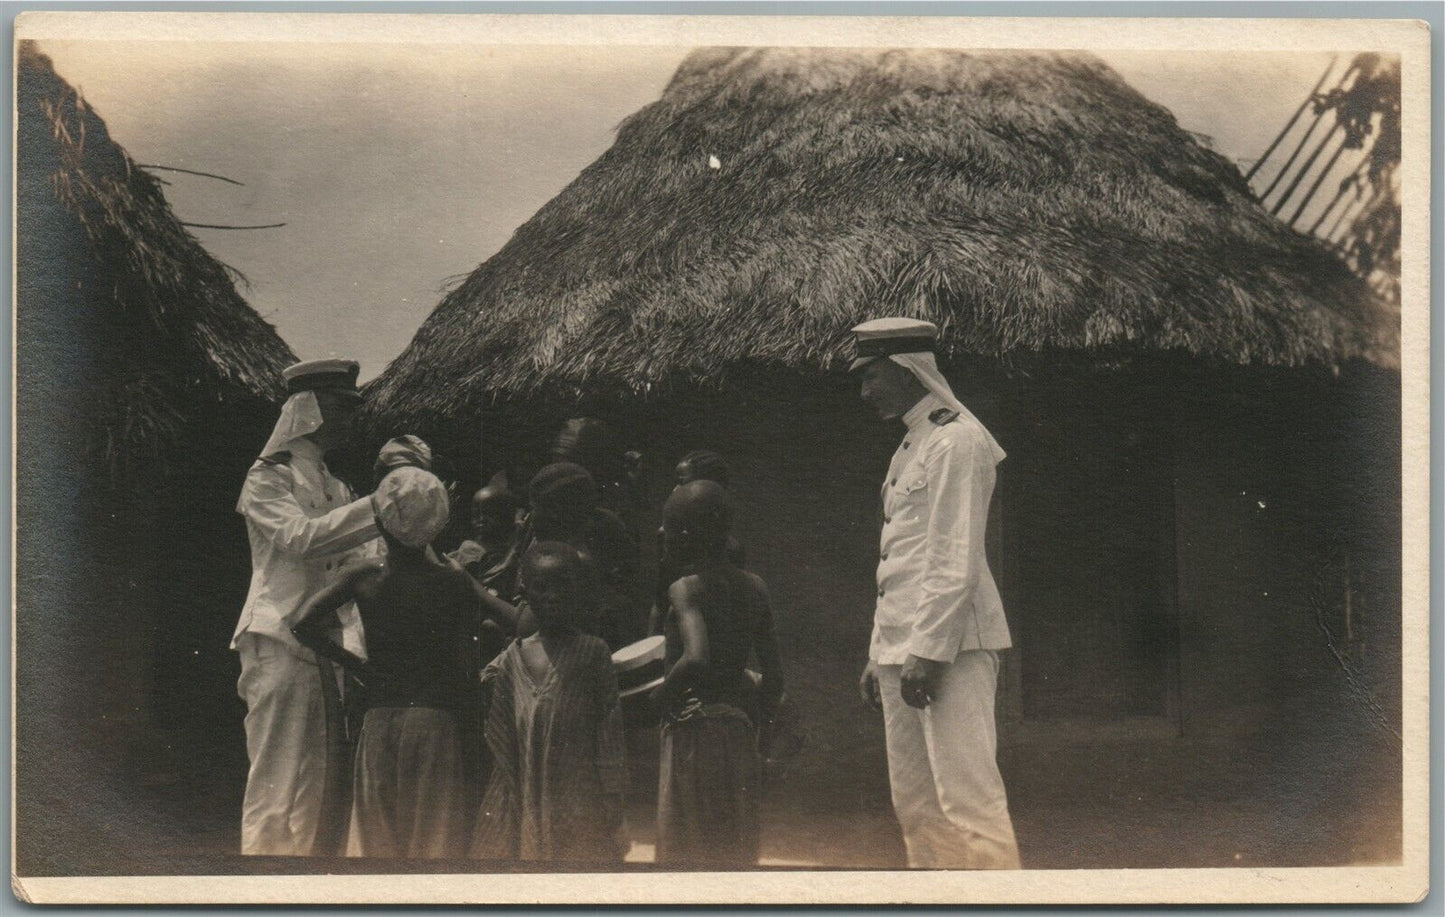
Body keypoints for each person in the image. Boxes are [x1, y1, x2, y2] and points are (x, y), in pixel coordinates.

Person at [850, 317, 1021, 870]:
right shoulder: (913, 444)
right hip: (905, 648)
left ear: (906, 370)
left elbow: (954, 556)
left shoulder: (956, 441)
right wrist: (881, 654)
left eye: (872, 375)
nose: (865, 390)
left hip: (950, 647)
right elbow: (899, 560)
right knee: (918, 806)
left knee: (968, 802)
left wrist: (926, 650)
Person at [291, 459, 518, 858]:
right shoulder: (452, 579)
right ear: (439, 524)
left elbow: (302, 623)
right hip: (433, 722)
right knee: (432, 845)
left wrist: (356, 666)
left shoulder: (364, 575)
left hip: (378, 719)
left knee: (379, 844)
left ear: (380, 522)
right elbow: (514, 620)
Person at [232, 358, 382, 856]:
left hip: (326, 645)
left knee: (316, 783)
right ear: (311, 410)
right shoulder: (266, 478)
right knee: (277, 779)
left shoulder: (336, 486)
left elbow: (360, 556)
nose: (352, 419)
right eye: (343, 407)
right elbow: (299, 539)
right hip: (279, 640)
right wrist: (379, 509)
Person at [654, 481, 783, 867]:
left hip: (693, 730)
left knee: (687, 847)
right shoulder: (756, 587)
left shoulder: (686, 588)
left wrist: (662, 695)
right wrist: (753, 722)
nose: (663, 534)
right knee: (733, 846)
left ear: (685, 536)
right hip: (740, 733)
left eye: (669, 527)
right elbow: (775, 677)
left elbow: (696, 658)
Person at [472, 542, 627, 863]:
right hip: (527, 793)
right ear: (525, 592)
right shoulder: (512, 660)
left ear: (579, 590)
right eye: (542, 587)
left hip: (580, 800)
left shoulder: (593, 652)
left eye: (562, 586)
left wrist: (612, 798)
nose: (552, 596)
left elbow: (608, 731)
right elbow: (501, 741)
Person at [515, 462, 643, 649]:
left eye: (537, 509)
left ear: (556, 514)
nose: (531, 518)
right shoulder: (588, 542)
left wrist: (472, 587)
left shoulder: (573, 563)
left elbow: (528, 629)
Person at [648, 450, 746, 636]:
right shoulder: (666, 538)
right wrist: (650, 648)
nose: (676, 490)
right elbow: (660, 602)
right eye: (675, 482)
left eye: (683, 482)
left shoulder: (731, 550)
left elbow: (728, 617)